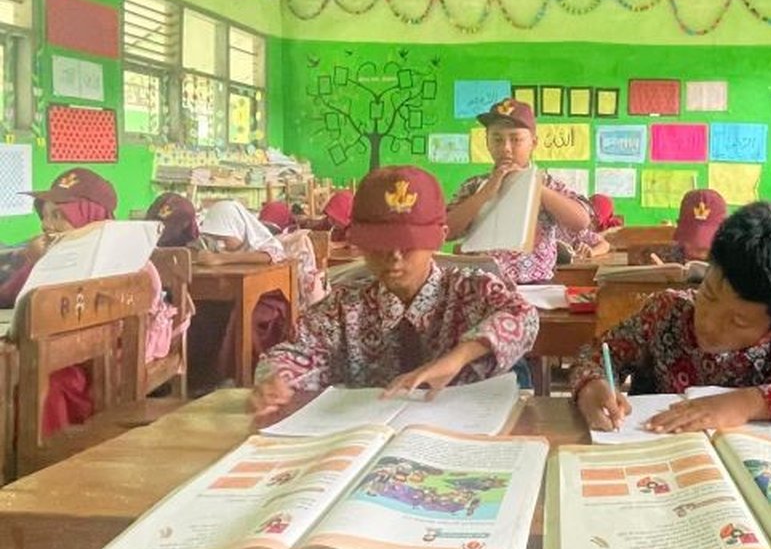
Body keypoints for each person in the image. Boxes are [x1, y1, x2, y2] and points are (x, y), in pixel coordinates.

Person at [569, 201, 771, 432]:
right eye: (708, 295)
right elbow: (594, 355)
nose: (708, 322)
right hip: (661, 460)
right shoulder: (666, 311)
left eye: (737, 321)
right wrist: (591, 385)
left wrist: (748, 403)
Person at [249, 166, 539, 416]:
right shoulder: (341, 309)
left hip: (465, 439)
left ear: (439, 238)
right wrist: (276, 378)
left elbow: (524, 317)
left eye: (409, 243)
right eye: (380, 243)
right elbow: (295, 352)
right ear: (358, 241)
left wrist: (458, 358)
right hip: (363, 444)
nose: (394, 257)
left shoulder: (470, 290)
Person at [0, 169, 181, 434]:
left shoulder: (131, 265)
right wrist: (35, 261)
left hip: (103, 360)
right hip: (53, 351)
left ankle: (36, 461)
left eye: (58, 216)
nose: (46, 225)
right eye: (45, 215)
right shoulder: (52, 257)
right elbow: (10, 296)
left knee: (42, 383)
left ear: (90, 218)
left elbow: (118, 330)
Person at [446, 99, 590, 284]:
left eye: (516, 139)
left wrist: (534, 186)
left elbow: (581, 222)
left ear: (533, 143)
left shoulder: (547, 183)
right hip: (481, 287)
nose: (506, 148)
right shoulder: (474, 185)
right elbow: (446, 231)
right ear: (487, 142)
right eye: (497, 139)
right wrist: (485, 193)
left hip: (534, 287)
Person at [189, 200, 295, 388]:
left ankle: (238, 376)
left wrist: (222, 259)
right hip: (232, 297)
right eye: (215, 237)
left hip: (269, 302)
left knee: (242, 318)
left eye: (224, 236)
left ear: (238, 228)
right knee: (200, 314)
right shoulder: (215, 248)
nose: (219, 243)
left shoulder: (265, 243)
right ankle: (202, 379)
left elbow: (271, 256)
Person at [647, 189, 727, 265]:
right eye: (691, 241)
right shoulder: (666, 256)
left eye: (706, 244)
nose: (699, 247)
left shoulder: (730, 261)